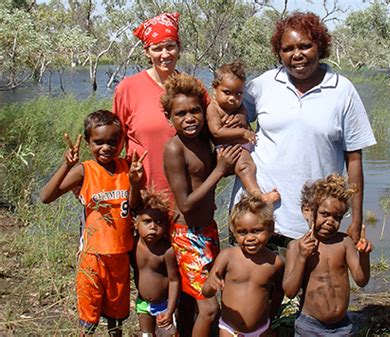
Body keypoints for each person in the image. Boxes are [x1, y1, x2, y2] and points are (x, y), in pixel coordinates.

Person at [231, 11, 377, 250]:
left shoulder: (342, 91)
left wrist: (357, 219)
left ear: (320, 46)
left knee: (311, 287)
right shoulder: (263, 85)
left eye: (305, 46)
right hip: (255, 218)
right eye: (288, 49)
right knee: (251, 286)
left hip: (311, 223)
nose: (297, 55)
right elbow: (229, 117)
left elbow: (354, 159)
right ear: (279, 53)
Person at [39, 110, 142, 336]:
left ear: (121, 142)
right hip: (92, 258)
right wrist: (66, 165)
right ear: (88, 142)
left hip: (120, 256)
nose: (106, 147)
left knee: (117, 318)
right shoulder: (85, 171)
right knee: (89, 316)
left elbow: (134, 205)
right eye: (99, 142)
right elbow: (46, 197)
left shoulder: (126, 167)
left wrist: (135, 182)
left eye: (112, 142)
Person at [161, 73, 242, 336]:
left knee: (207, 298)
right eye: (180, 113)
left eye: (195, 111)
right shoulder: (175, 149)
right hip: (187, 235)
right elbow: (185, 204)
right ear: (169, 118)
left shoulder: (204, 139)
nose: (189, 118)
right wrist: (219, 171)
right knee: (209, 309)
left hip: (208, 230)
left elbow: (218, 165)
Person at [283, 173, 373, 336]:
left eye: (337, 217)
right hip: (309, 326)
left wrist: (364, 255)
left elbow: (361, 280)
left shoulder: (344, 242)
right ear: (307, 210)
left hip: (342, 326)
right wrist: (302, 258)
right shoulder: (296, 247)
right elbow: (290, 291)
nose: (331, 221)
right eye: (325, 214)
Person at [113, 12, 182, 191]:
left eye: (170, 46)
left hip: (186, 197)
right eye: (157, 48)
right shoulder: (127, 89)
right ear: (146, 52)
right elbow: (115, 144)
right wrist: (91, 176)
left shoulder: (191, 87)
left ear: (179, 48)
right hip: (143, 195)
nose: (165, 54)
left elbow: (212, 132)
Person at [202, 194, 285, 336]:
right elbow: (206, 292)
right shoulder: (227, 256)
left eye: (257, 231)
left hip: (261, 330)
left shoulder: (275, 262)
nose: (250, 238)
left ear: (270, 228)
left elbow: (279, 292)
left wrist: (270, 318)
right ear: (234, 232)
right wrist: (211, 284)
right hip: (229, 330)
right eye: (242, 232)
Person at [207, 61, 280, 203]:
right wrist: (242, 132)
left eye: (238, 94)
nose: (232, 98)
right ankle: (258, 196)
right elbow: (216, 132)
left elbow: (245, 113)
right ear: (215, 88)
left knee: (251, 166)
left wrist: (241, 117)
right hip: (228, 149)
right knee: (245, 167)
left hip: (241, 147)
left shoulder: (238, 107)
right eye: (227, 92)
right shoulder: (213, 108)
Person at [131, 189, 180, 337]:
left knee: (168, 334)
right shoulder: (132, 246)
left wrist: (170, 309)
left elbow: (174, 280)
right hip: (142, 303)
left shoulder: (167, 251)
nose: (153, 226)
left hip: (164, 304)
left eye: (159, 222)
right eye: (147, 221)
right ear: (136, 223)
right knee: (146, 334)